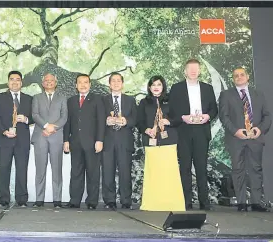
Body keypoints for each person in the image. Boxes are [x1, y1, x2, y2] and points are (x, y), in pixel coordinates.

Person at [218, 68, 271, 212]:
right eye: (236, 76)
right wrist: (236, 131)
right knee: (238, 170)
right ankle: (241, 203)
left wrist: (259, 130)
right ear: (233, 79)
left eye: (242, 75)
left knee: (256, 170)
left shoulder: (258, 94)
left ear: (247, 77)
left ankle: (256, 203)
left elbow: (267, 116)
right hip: (236, 139)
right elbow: (224, 117)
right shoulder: (226, 95)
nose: (239, 77)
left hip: (255, 138)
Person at [169, 59, 218, 210]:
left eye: (196, 68)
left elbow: (214, 109)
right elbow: (171, 112)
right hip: (183, 131)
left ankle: (204, 201)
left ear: (200, 71)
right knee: (184, 167)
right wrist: (183, 117)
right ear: (185, 71)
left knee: (201, 167)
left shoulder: (207, 88)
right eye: (190, 68)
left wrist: (207, 117)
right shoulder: (176, 88)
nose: (193, 71)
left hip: (201, 131)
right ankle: (186, 201)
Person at [137, 75, 185, 211]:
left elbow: (179, 118)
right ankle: (152, 204)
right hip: (151, 142)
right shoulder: (143, 102)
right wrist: (146, 129)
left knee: (169, 174)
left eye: (159, 84)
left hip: (169, 142)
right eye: (153, 85)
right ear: (149, 87)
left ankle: (172, 204)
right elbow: (139, 121)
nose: (156, 87)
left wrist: (168, 121)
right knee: (153, 174)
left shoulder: (172, 100)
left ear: (163, 86)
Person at [63, 74, 105, 210]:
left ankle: (92, 202)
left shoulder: (97, 99)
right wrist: (65, 140)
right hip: (75, 142)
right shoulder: (71, 101)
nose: (83, 85)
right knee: (76, 172)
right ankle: (74, 200)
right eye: (80, 82)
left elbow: (101, 121)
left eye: (85, 82)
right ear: (76, 85)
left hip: (92, 142)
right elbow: (67, 122)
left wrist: (100, 140)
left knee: (93, 173)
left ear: (90, 84)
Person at [0, 71, 33, 208]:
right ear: (8, 82)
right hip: (5, 139)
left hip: (22, 140)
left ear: (21, 82)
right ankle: (3, 199)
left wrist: (27, 119)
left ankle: (21, 200)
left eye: (17, 79)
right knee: (3, 169)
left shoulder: (29, 98)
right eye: (12, 79)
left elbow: (35, 116)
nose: (14, 82)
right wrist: (4, 131)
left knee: (22, 169)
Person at [101, 72, 137, 210]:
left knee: (125, 171)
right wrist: (106, 120)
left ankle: (126, 200)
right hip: (108, 140)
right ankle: (109, 200)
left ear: (122, 84)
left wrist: (126, 121)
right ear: (109, 84)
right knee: (108, 171)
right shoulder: (103, 100)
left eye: (118, 81)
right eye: (113, 81)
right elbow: (97, 118)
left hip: (124, 140)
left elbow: (136, 119)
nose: (116, 83)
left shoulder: (130, 100)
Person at [31, 73, 68, 208]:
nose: (49, 82)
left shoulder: (62, 98)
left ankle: (57, 200)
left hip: (57, 137)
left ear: (55, 82)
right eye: (46, 80)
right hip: (40, 135)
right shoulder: (36, 98)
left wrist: (53, 127)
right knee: (40, 169)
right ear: (42, 83)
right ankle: (39, 200)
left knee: (57, 169)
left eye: (51, 80)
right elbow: (35, 114)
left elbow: (64, 117)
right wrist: (46, 126)